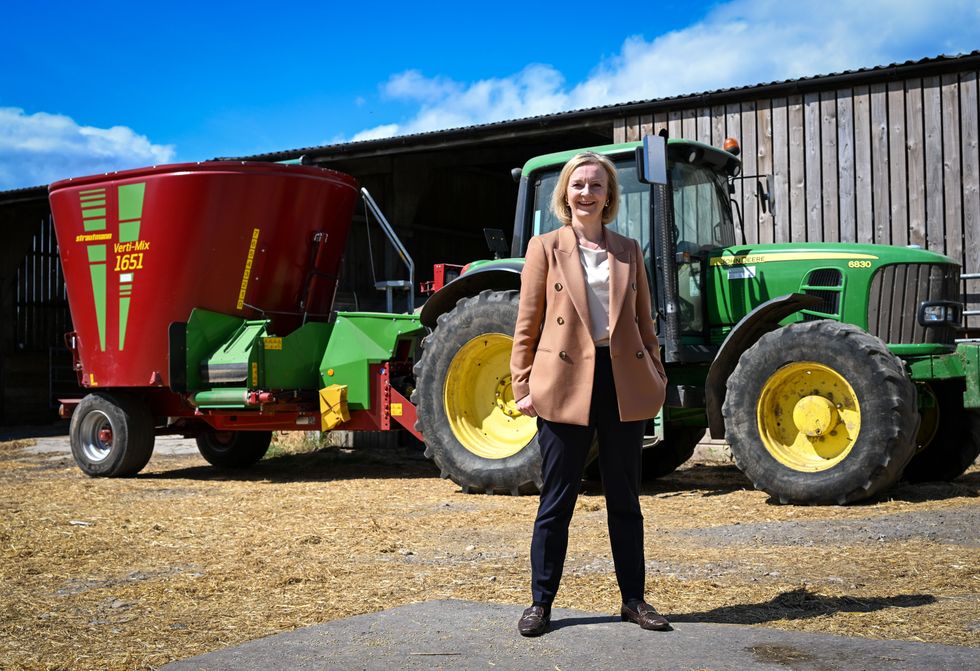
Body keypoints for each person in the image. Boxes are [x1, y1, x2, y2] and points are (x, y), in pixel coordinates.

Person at [509, 151, 669, 636]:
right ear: (565, 192)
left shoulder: (628, 250)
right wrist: (522, 383)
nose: (586, 192)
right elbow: (527, 322)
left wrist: (656, 371)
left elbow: (644, 321)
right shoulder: (545, 247)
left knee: (625, 497)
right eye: (578, 184)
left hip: (621, 381)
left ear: (608, 196)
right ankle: (541, 602)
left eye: (596, 185)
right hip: (562, 381)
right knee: (557, 497)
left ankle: (634, 601)